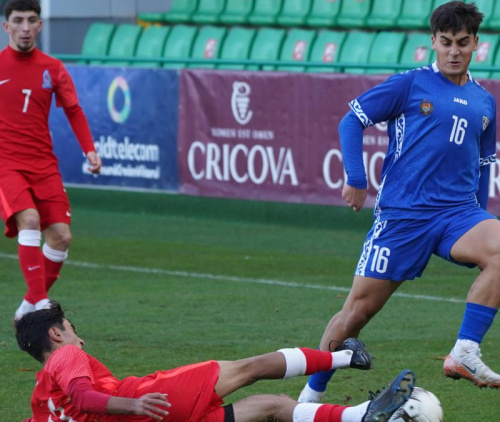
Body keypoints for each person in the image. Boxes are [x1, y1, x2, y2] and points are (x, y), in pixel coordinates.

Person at [298, 1, 500, 403]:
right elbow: (352, 120)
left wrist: (482, 215)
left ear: (476, 44)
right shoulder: (409, 84)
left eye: (463, 43)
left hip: (457, 213)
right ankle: (309, 397)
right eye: (447, 42)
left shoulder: (485, 101)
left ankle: (465, 352)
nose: (454, 51)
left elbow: (484, 165)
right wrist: (356, 177)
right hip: (404, 216)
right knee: (355, 314)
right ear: (433, 42)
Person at [15, 301, 417, 422]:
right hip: (152, 399)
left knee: (273, 406)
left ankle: (361, 416)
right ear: (55, 335)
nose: (78, 338)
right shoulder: (66, 356)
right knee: (251, 367)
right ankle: (348, 355)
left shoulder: (41, 400)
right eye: (70, 328)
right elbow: (85, 397)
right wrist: (133, 404)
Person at [1, 0, 102, 321]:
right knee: (28, 221)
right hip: (7, 164)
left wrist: (90, 149)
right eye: (18, 20)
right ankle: (42, 302)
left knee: (61, 236)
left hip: (44, 165)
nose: (26, 27)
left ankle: (29, 304)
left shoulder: (53, 67)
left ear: (40, 25)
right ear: (7, 26)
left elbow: (73, 110)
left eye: (32, 20)